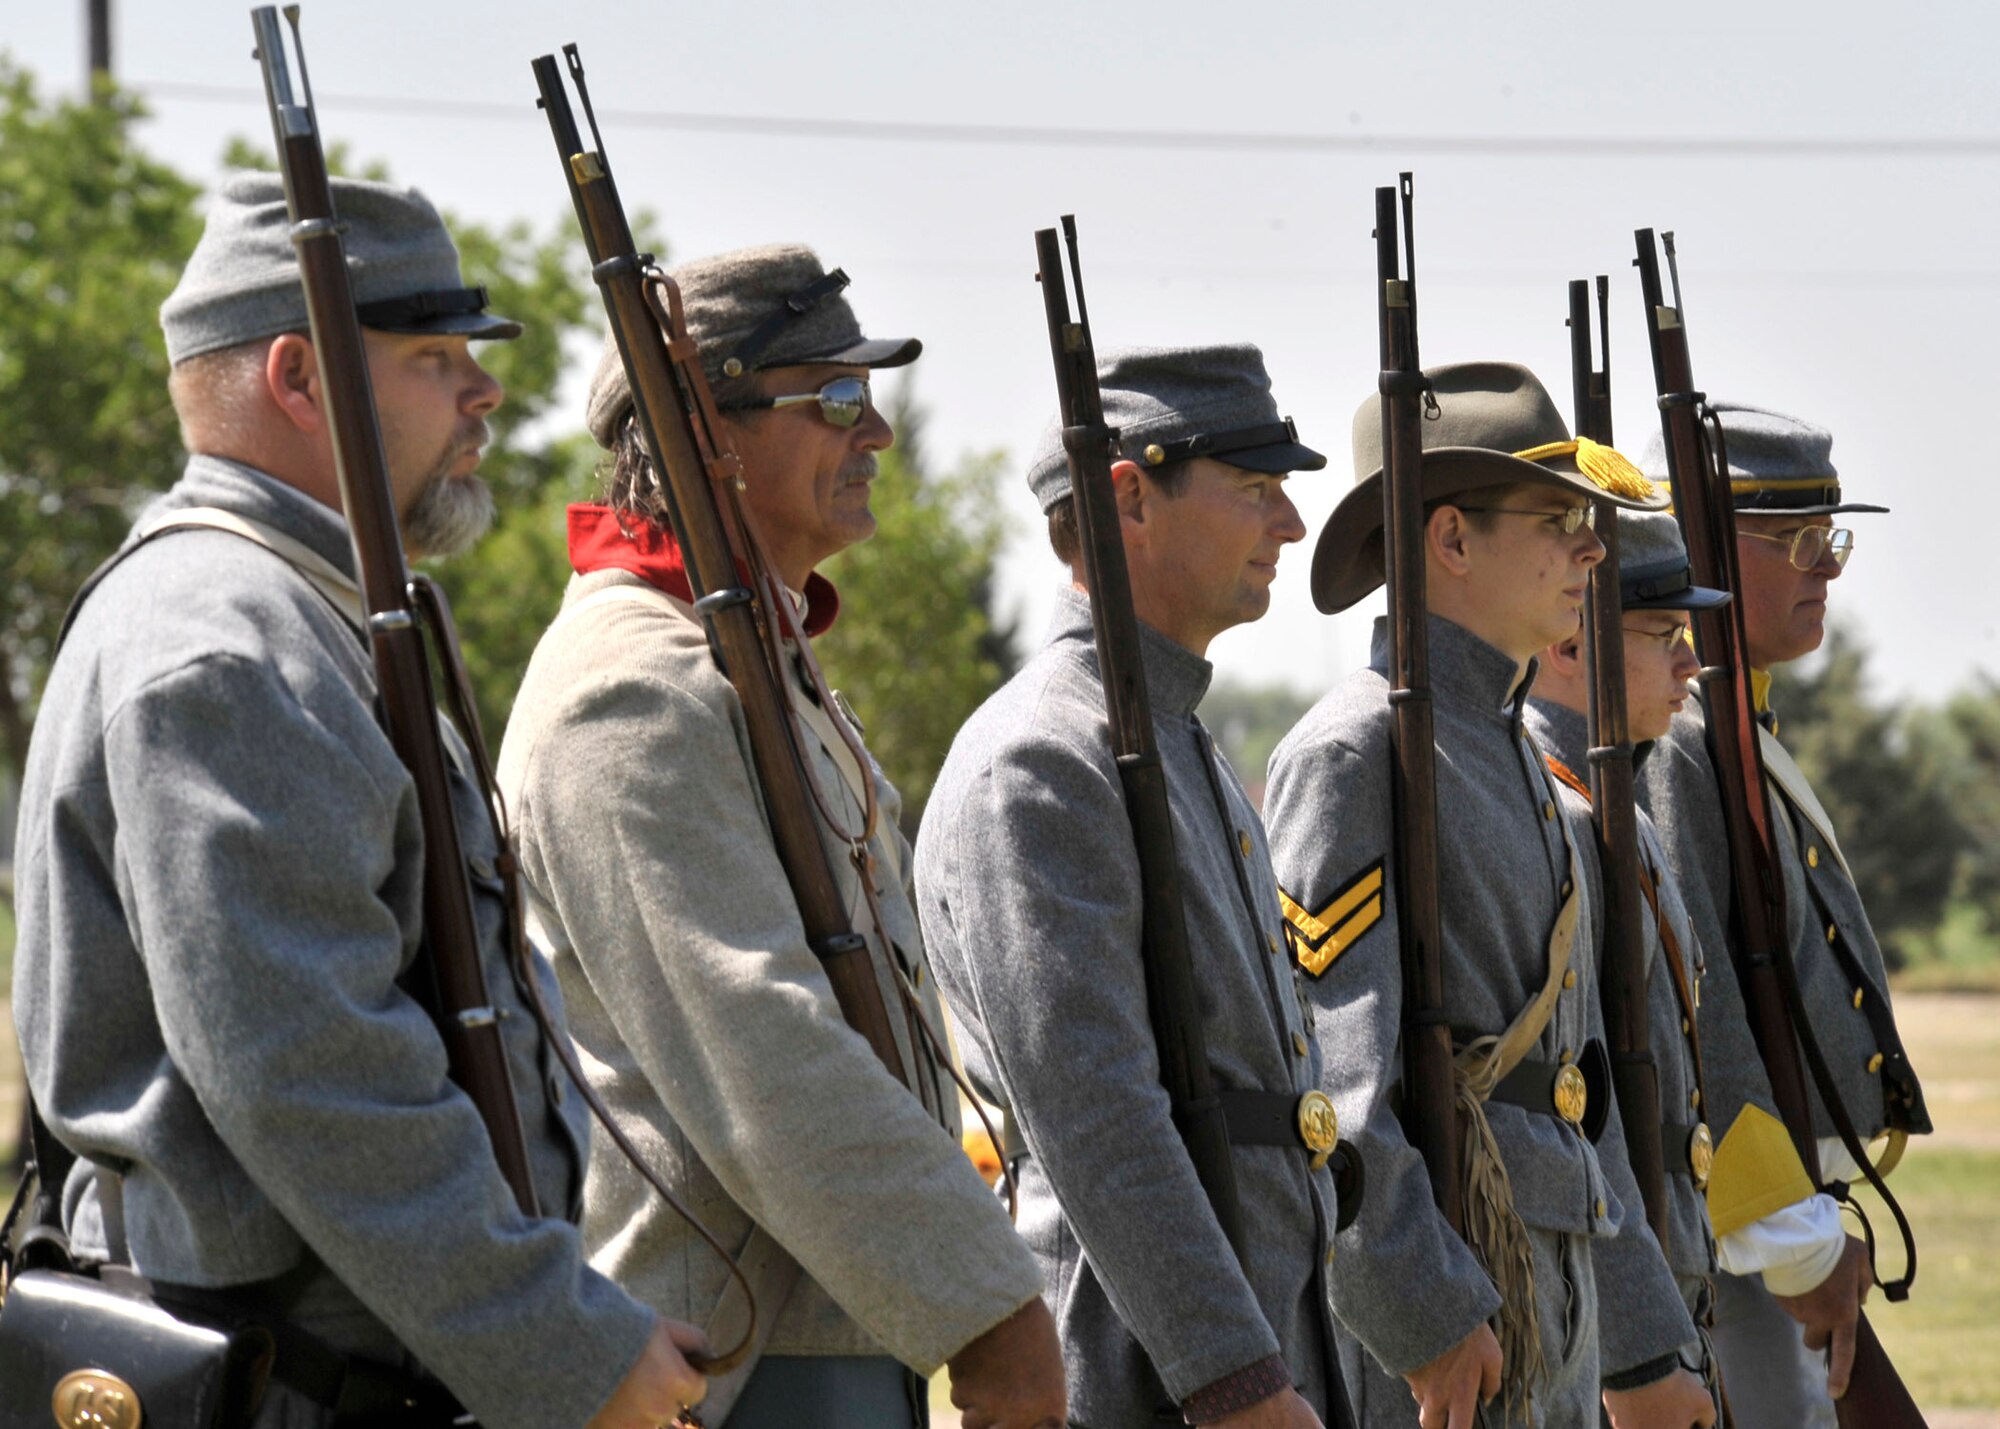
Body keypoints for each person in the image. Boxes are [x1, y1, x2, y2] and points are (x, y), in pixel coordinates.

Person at [11, 172, 705, 1428]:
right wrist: (560, 1340)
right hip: (283, 1384)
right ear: (299, 378)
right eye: (435, 356)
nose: (484, 391)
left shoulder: (293, 616)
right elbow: (315, 1069)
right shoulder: (227, 642)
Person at [496, 243, 1063, 1429]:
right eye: (836, 399)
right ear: (709, 431)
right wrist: (989, 1312)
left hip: (828, 1335)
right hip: (732, 1368)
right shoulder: (631, 687)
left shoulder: (748, 670)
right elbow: (765, 1046)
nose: (878, 435)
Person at [1264, 363, 1713, 1429]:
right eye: (1556, 518)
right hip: (1444, 1318)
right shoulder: (1354, 749)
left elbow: (1578, 1086)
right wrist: (1417, 1310)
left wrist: (1642, 1349)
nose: (1592, 549)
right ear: (1451, 540)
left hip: (1551, 1290)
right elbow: (1338, 1075)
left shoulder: (1514, 755)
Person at [916, 346, 1349, 1429]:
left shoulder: (1172, 739)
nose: (1288, 526)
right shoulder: (1044, 758)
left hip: (1253, 1330)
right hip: (1139, 1370)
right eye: (1253, 489)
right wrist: (1233, 1377)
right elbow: (1096, 1109)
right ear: (1127, 497)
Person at [1635, 404, 1917, 1427]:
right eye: (1796, 541)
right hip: (1746, 1233)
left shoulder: (1735, 721)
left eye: (1828, 536)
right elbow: (1701, 993)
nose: (1826, 568)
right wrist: (1789, 1232)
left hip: (1780, 1216)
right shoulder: (1679, 740)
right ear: (1702, 546)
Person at [1523, 506, 1743, 1411]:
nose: (1692, 661)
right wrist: (1638, 1350)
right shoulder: (1560, 808)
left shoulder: (1614, 803)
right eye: (1665, 634)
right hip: (1613, 1293)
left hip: (1668, 1256)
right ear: (1576, 642)